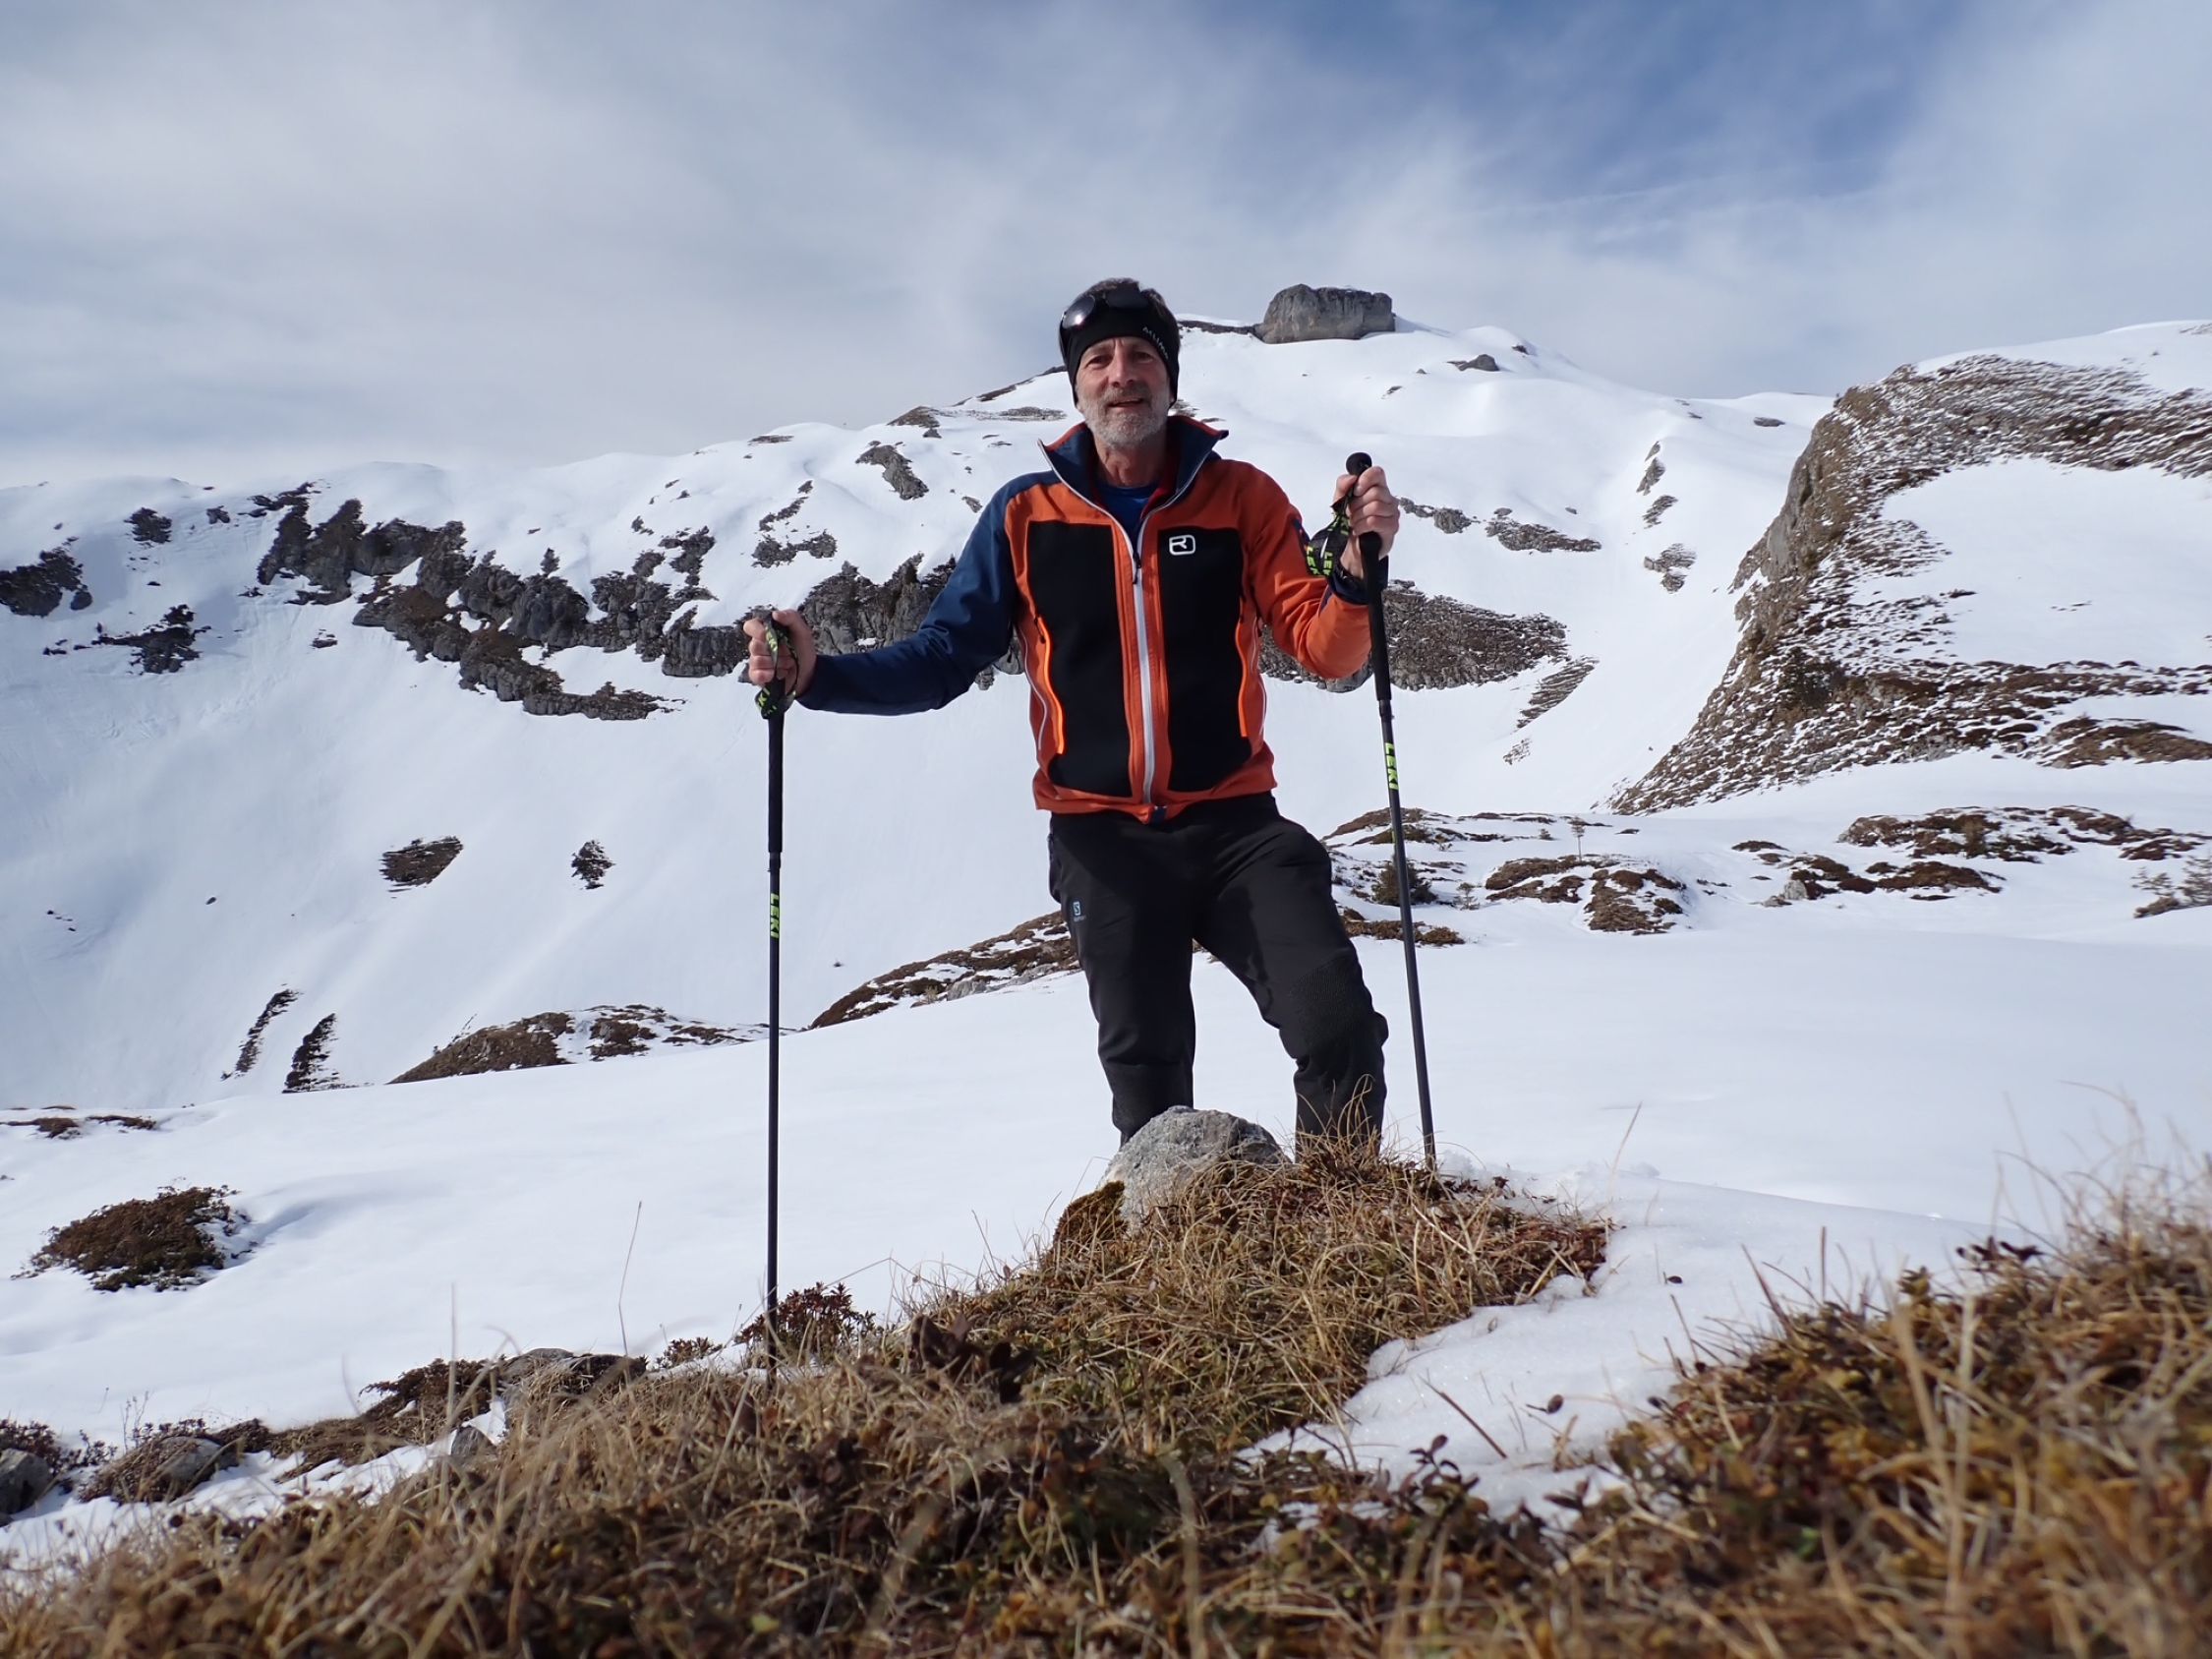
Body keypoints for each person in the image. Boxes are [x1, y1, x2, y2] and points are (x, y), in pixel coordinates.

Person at [745, 278, 1403, 1149]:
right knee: (1150, 1087)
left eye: (1140, 356)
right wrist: (816, 676)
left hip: (1238, 827)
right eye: (1099, 360)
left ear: (1169, 377)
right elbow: (942, 659)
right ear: (1077, 384)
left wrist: (1354, 576)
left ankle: (1338, 1214)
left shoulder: (1241, 498)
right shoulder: (1025, 515)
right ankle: (1173, 1234)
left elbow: (1328, 650)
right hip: (1103, 840)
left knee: (1339, 1026)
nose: (1121, 374)